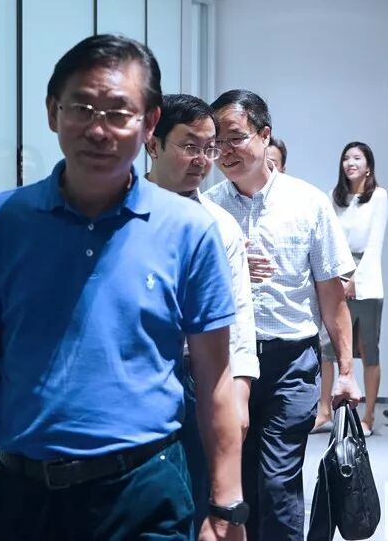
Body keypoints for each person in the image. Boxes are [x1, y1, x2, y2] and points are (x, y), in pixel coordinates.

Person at [0, 35, 246, 541]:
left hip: (145, 492)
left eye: (119, 113)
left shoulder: (190, 232)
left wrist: (227, 504)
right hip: (24, 496)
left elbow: (215, 377)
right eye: (81, 108)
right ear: (52, 112)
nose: (98, 130)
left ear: (149, 124)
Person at [204, 89, 362, 541]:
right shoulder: (207, 209)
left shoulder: (308, 203)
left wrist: (345, 372)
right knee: (235, 484)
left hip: (290, 362)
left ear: (264, 134)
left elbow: (333, 297)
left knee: (277, 483)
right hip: (226, 364)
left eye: (235, 137)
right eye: (217, 142)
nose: (225, 151)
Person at [144, 92, 260, 530]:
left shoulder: (219, 225)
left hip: (197, 378)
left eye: (209, 148)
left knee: (194, 500)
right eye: (190, 146)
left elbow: (240, 317)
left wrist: (240, 394)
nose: (203, 160)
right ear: (152, 144)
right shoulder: (118, 214)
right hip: (138, 376)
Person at [314, 142, 388, 437]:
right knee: (327, 349)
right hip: (337, 277)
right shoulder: (334, 197)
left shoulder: (379, 196)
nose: (350, 162)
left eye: (357, 157)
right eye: (346, 157)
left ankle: (368, 415)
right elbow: (329, 241)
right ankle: (324, 411)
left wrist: (356, 279)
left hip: (367, 282)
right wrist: (338, 278)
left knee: (369, 350)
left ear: (368, 166)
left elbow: (375, 243)